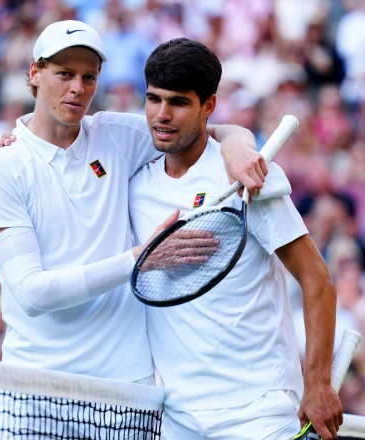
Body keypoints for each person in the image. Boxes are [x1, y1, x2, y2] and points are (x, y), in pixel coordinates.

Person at [0, 20, 267, 437]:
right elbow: (33, 294)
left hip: (124, 394)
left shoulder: (115, 133)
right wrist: (140, 260)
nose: (78, 88)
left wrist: (237, 146)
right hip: (32, 393)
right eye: (64, 74)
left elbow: (200, 126)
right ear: (35, 73)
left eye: (89, 77)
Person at [128, 38, 342, 439]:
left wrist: (317, 383)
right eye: (153, 99)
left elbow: (317, 280)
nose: (162, 114)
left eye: (178, 102)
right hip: (177, 418)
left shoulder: (247, 174)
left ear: (208, 106)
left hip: (259, 414)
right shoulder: (135, 183)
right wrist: (18, 138)